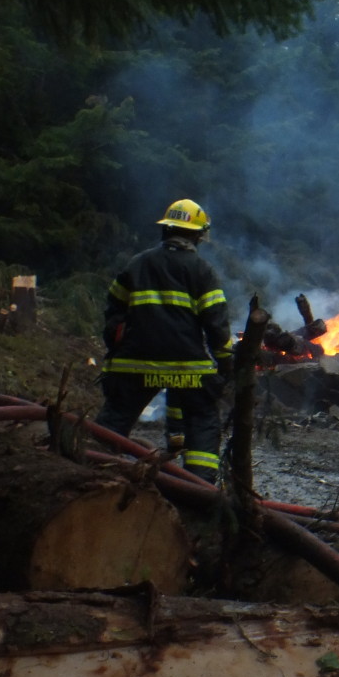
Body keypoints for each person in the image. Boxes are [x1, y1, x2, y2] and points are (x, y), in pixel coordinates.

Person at [96, 199, 233, 483]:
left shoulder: (137, 264)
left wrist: (118, 343)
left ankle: (91, 469)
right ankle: (199, 487)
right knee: (202, 420)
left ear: (166, 230)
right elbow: (216, 324)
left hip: (134, 366)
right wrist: (226, 363)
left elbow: (113, 309)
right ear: (197, 235)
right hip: (188, 369)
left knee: (114, 421)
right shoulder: (201, 270)